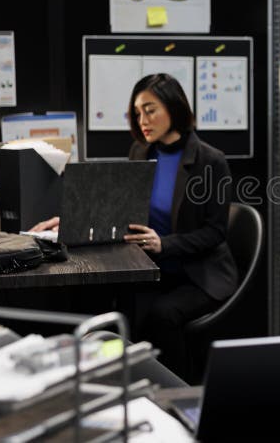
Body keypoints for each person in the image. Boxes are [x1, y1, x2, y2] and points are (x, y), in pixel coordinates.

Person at [32, 73, 237, 378]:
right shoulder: (140, 152)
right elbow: (125, 210)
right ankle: (109, 381)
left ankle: (177, 391)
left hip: (197, 274)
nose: (143, 120)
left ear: (174, 107)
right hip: (150, 266)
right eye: (138, 112)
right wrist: (76, 220)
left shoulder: (212, 161)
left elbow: (215, 232)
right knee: (94, 297)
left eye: (150, 110)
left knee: (160, 315)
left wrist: (164, 244)